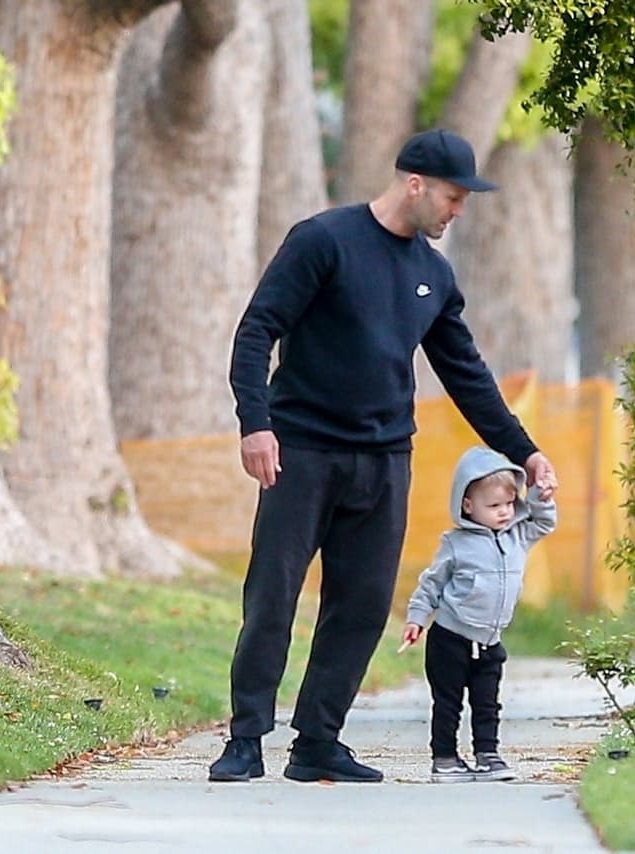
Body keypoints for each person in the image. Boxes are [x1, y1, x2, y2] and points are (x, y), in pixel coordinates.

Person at [210, 128, 558, 784]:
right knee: (273, 597)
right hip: (302, 452)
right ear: (415, 183)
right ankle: (245, 740)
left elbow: (468, 376)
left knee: (364, 604)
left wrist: (526, 452)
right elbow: (257, 330)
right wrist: (255, 424)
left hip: (384, 460)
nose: (459, 212)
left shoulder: (433, 274)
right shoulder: (323, 240)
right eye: (453, 198)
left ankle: (317, 742)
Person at [401, 446, 556, 783]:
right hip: (450, 639)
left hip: (490, 641)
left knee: (488, 703)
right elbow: (432, 584)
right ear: (468, 506)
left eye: (509, 504)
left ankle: (488, 755)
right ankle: (444, 759)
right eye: (494, 505)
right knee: (448, 702)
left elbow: (544, 522)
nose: (504, 512)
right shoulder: (456, 544)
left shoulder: (517, 536)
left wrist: (541, 497)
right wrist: (416, 618)